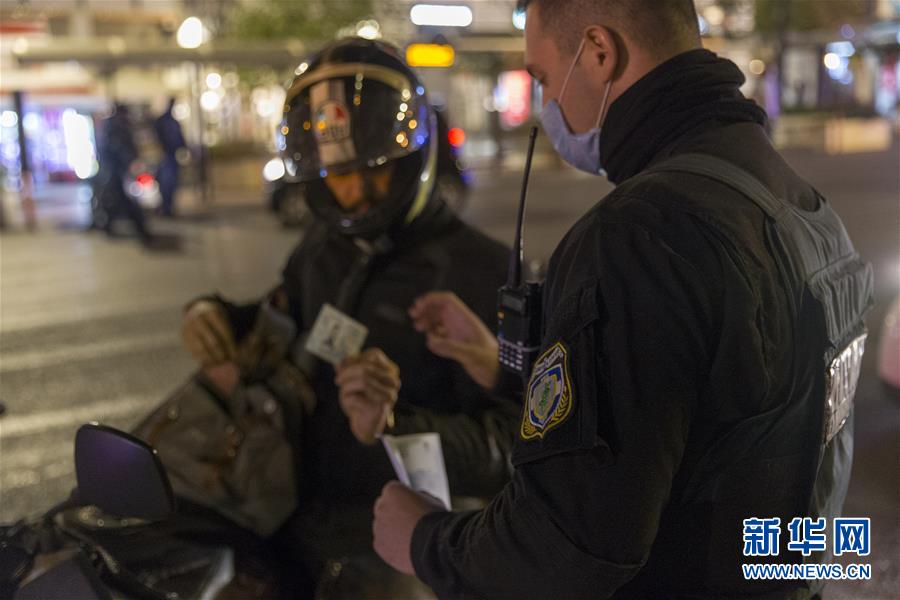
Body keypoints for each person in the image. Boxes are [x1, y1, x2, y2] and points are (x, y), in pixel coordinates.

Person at [372, 1, 874, 598]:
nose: (545, 101)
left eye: (542, 76)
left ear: (600, 52)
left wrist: (425, 539)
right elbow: (725, 432)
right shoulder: (801, 205)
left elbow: (567, 549)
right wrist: (505, 368)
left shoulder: (641, 234)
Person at [180, 39, 518, 598]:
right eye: (336, 175)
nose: (354, 193)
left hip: (409, 546)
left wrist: (395, 428)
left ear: (413, 154)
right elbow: (281, 316)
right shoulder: (322, 247)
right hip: (291, 518)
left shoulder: (485, 271)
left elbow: (515, 443)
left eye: (374, 170)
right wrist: (212, 315)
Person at [95, 103, 151, 243]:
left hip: (114, 170)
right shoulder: (118, 126)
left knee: (119, 200)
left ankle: (110, 226)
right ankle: (141, 230)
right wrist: (130, 161)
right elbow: (120, 147)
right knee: (125, 200)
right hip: (117, 170)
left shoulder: (111, 125)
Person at [153, 97, 187, 217]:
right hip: (166, 156)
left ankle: (167, 207)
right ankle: (166, 208)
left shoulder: (169, 121)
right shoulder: (167, 121)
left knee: (169, 183)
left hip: (170, 156)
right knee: (167, 183)